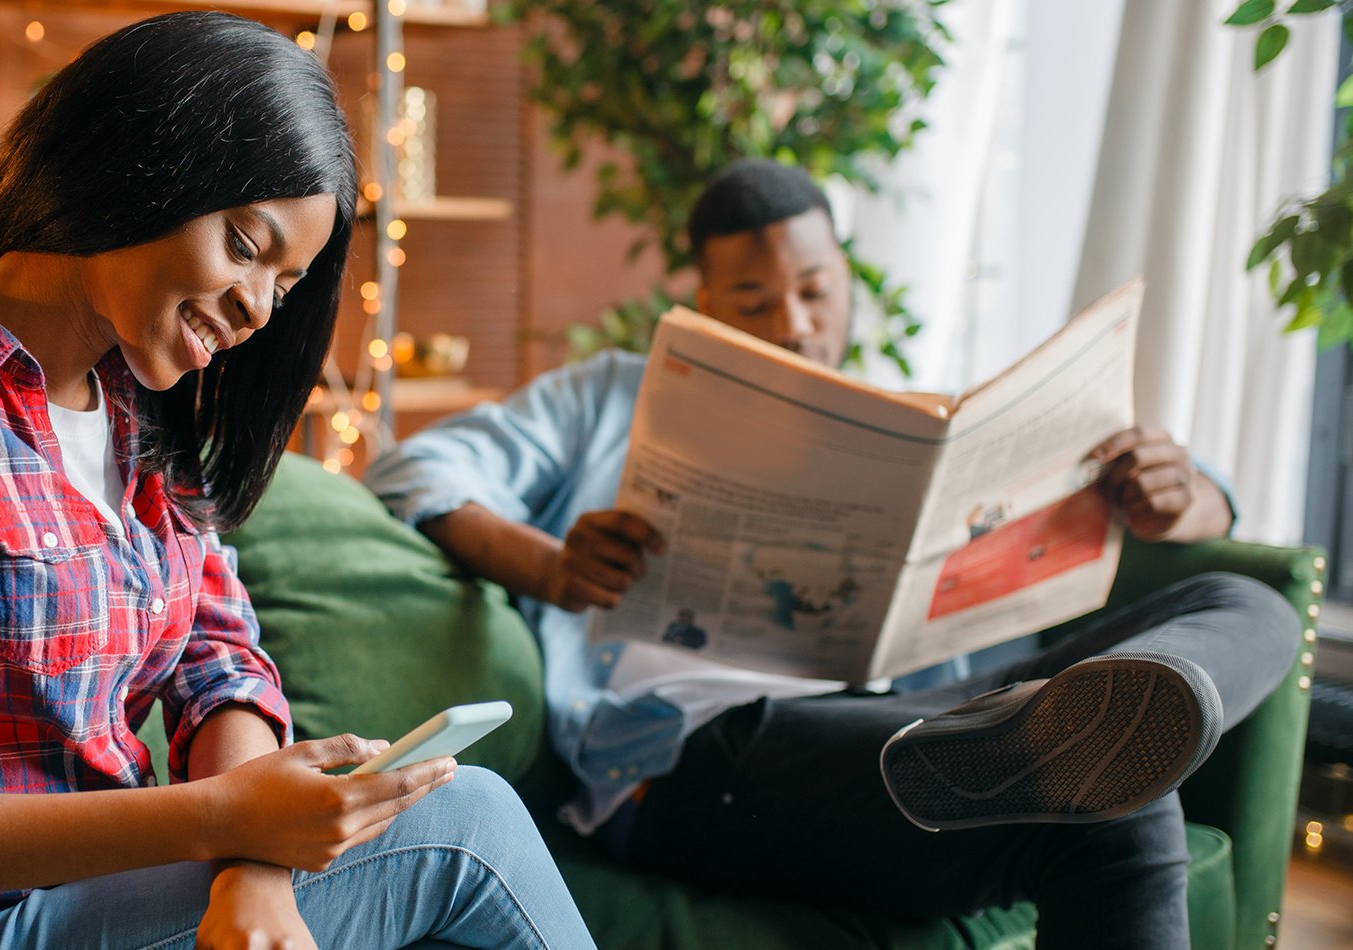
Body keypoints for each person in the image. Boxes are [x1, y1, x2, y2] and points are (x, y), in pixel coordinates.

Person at [0, 14, 593, 950]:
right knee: (469, 829)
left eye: (286, 286)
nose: (258, 308)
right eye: (247, 247)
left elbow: (222, 667)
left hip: (121, 892)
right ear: (136, 165)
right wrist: (221, 821)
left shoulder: (137, 412)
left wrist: (254, 872)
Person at [362, 159, 1295, 948]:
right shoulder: (607, 397)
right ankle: (1054, 742)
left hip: (929, 714)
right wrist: (546, 565)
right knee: (1119, 802)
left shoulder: (908, 424)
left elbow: (1190, 491)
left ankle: (1125, 708)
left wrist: (1184, 494)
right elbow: (413, 467)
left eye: (815, 293)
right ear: (704, 304)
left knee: (1251, 605)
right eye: (756, 301)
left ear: (847, 280)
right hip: (697, 753)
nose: (796, 325)